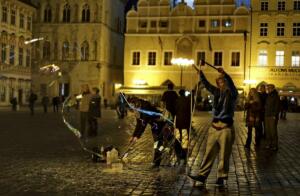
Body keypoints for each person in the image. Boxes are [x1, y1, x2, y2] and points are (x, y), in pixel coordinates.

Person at [188, 66, 238, 187]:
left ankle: (221, 177)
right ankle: (202, 175)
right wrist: (201, 74)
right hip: (214, 127)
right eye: (219, 82)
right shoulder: (216, 92)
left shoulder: (232, 94)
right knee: (208, 153)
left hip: (226, 128)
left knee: (224, 155)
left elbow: (231, 85)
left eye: (222, 82)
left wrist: (225, 74)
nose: (221, 84)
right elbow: (207, 85)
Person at [129, 97, 183, 168]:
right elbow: (139, 123)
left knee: (170, 139)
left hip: (165, 121)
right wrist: (133, 136)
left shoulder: (145, 107)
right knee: (157, 142)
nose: (133, 109)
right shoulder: (138, 109)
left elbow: (143, 123)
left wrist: (137, 136)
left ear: (136, 104)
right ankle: (156, 162)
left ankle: (182, 156)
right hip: (155, 124)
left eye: (133, 107)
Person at [175, 89, 191, 164]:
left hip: (178, 122)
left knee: (178, 137)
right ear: (184, 93)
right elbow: (189, 111)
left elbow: (175, 110)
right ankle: (183, 154)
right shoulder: (188, 100)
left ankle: (178, 152)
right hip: (185, 122)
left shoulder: (177, 100)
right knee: (185, 138)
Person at [265, 84, 280, 151]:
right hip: (267, 115)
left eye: (269, 88)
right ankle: (269, 144)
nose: (267, 89)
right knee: (267, 131)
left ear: (273, 88)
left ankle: (274, 145)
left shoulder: (275, 95)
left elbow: (277, 106)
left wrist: (274, 115)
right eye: (267, 88)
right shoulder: (268, 95)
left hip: (272, 116)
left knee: (273, 131)